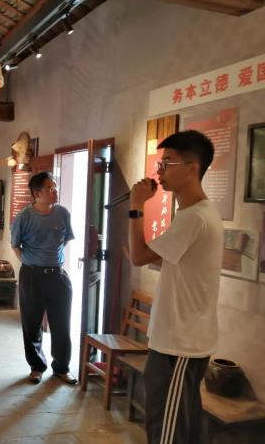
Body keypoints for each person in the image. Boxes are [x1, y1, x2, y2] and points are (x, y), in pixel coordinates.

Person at [128, 130, 222, 444]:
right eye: (160, 163)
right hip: (179, 341)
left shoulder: (194, 218)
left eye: (167, 163)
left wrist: (137, 206)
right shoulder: (194, 215)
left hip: (179, 345)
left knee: (166, 434)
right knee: (178, 428)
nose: (160, 171)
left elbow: (138, 256)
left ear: (192, 168)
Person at [10, 171, 77, 385]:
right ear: (37, 193)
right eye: (50, 188)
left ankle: (62, 368)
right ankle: (37, 367)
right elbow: (15, 245)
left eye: (55, 187)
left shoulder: (62, 213)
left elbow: (66, 240)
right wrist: (31, 262)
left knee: (62, 324)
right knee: (32, 324)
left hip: (58, 275)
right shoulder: (24, 217)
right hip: (32, 275)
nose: (54, 191)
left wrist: (52, 259)